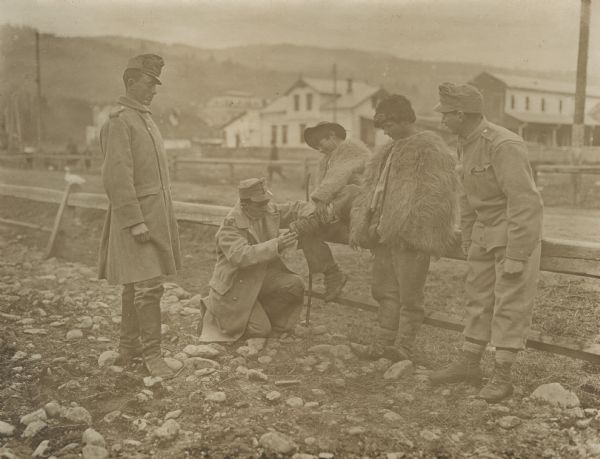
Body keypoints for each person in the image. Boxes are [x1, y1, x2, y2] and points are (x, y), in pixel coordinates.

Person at [429, 83, 543, 403]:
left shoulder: (503, 143)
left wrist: (518, 253)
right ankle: (469, 362)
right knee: (477, 298)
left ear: (461, 114)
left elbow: (525, 201)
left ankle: (503, 374)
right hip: (483, 233)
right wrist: (467, 237)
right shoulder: (466, 143)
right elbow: (467, 197)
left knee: (510, 301)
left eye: (446, 114)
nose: (442, 121)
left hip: (511, 233)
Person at [349, 95, 459, 362]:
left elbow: (437, 194)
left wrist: (415, 230)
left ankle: (403, 347)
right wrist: (368, 222)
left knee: (409, 294)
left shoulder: (430, 148)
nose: (385, 131)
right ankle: (383, 343)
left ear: (404, 120)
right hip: (382, 233)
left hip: (409, 236)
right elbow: (373, 190)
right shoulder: (387, 150)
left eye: (388, 124)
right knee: (384, 290)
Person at [98, 54, 182, 379]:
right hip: (136, 220)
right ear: (130, 81)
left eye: (156, 84)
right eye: (148, 82)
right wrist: (135, 221)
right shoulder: (119, 121)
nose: (153, 90)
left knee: (136, 286)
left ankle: (128, 348)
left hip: (154, 218)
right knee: (148, 286)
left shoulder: (145, 119)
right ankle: (153, 357)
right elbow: (117, 176)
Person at [197, 178, 305, 342]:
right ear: (244, 204)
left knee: (294, 284)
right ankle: (215, 314)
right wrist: (277, 244)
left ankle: (264, 316)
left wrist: (317, 206)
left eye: (267, 201)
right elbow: (241, 256)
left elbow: (293, 209)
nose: (265, 206)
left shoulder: (267, 210)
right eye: (260, 204)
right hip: (236, 285)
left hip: (257, 278)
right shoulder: (230, 224)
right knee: (260, 330)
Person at [291, 121, 370, 301]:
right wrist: (315, 206)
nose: (319, 149)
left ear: (332, 136)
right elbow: (324, 185)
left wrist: (319, 199)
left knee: (351, 190)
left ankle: (315, 219)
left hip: (358, 209)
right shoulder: (327, 159)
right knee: (307, 232)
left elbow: (339, 175)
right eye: (315, 147)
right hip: (336, 214)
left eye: (320, 143)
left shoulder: (353, 151)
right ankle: (332, 274)